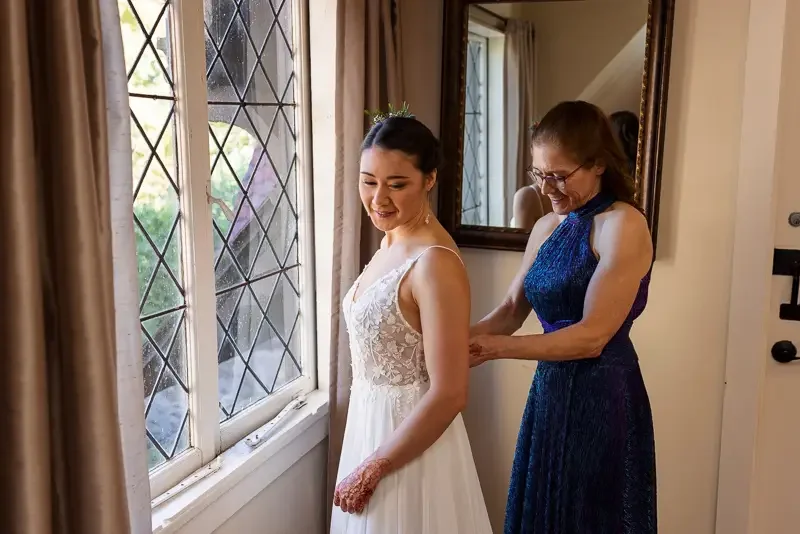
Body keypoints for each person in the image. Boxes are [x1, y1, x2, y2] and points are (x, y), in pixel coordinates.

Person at [469, 100, 656, 534]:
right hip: (550, 390)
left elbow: (591, 337)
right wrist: (446, 340)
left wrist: (493, 349)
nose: (545, 187)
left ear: (598, 165)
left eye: (559, 175)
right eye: (539, 173)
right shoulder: (546, 227)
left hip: (603, 394)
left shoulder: (623, 224)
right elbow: (510, 311)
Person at [330, 108, 492, 534]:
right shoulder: (391, 240)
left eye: (397, 184)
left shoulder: (434, 262)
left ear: (429, 179)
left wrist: (376, 466)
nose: (378, 199)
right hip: (367, 427)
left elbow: (450, 393)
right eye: (368, 182)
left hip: (407, 445)